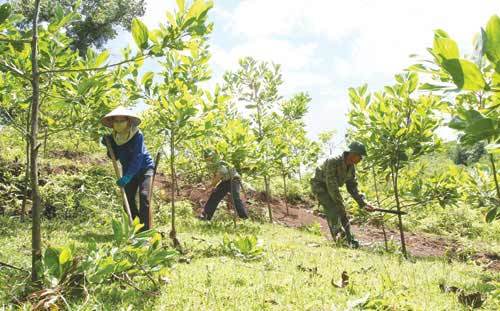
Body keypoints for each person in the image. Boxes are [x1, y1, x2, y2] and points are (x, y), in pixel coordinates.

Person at [310, 142, 374, 248]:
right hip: (320, 186)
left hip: (331, 187)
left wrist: (363, 203)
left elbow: (352, 186)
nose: (361, 159)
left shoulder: (351, 167)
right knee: (333, 209)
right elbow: (331, 185)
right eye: (360, 156)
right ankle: (341, 240)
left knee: (343, 213)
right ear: (352, 154)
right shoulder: (333, 161)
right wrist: (339, 203)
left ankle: (351, 241)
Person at [101, 107, 155, 230]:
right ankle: (135, 227)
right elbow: (114, 156)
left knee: (144, 195)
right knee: (128, 198)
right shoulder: (114, 137)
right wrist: (108, 145)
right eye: (116, 121)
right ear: (112, 123)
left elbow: (138, 156)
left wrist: (128, 176)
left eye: (122, 121)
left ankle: (146, 230)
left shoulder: (137, 135)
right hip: (128, 170)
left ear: (128, 122)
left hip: (144, 168)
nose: (119, 124)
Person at [199, 150, 248, 221]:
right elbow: (214, 177)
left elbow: (217, 179)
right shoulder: (213, 166)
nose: (208, 161)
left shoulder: (221, 164)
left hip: (234, 180)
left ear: (213, 157)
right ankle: (205, 217)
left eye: (209, 159)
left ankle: (244, 218)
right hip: (225, 181)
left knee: (235, 199)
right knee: (215, 196)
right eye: (207, 160)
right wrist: (211, 187)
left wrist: (207, 187)